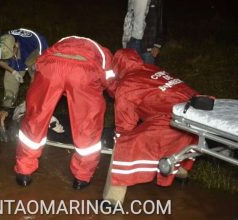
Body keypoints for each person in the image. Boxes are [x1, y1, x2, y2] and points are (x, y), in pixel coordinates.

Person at [14, 36, 116, 189]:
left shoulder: (64, 41)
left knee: (35, 118)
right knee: (87, 125)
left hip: (52, 66)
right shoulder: (104, 52)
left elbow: (41, 62)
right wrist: (116, 96)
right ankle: (82, 177)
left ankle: (23, 171)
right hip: (83, 72)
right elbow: (110, 82)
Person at [101, 49, 198, 205]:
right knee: (175, 141)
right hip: (195, 117)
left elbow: (124, 125)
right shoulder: (154, 69)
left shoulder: (128, 84)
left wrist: (120, 140)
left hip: (171, 119)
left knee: (124, 145)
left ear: (118, 67)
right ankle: (181, 173)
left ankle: (112, 200)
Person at [0, 28, 48, 142]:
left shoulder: (39, 42)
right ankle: (2, 123)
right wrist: (12, 71)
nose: (8, 60)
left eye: (10, 57)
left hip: (34, 53)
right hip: (18, 55)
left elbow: (36, 76)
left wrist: (31, 92)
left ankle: (29, 119)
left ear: (16, 46)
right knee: (9, 94)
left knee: (35, 90)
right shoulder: (0, 43)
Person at [122, 0, 165, 64]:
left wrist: (157, 45)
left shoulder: (155, 1)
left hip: (147, 44)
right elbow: (129, 17)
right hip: (131, 40)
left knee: (148, 71)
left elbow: (161, 21)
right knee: (131, 70)